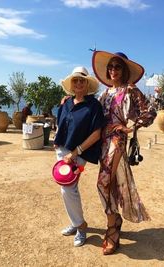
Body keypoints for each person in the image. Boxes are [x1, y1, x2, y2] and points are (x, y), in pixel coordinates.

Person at [92, 51, 157, 255]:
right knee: (108, 184)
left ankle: (112, 227)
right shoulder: (105, 93)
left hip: (117, 140)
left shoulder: (130, 89)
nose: (113, 70)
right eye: (110, 67)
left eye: (117, 67)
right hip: (103, 141)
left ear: (124, 70)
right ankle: (114, 220)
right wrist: (69, 100)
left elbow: (150, 111)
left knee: (102, 182)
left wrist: (130, 127)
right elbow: (92, 112)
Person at [53, 66, 105, 247]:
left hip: (79, 153)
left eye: (82, 80)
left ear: (87, 83)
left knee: (68, 188)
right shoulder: (66, 103)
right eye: (75, 80)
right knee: (64, 188)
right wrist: (56, 140)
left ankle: (81, 226)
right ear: (72, 84)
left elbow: (97, 134)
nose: (78, 83)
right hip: (62, 150)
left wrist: (75, 153)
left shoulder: (93, 106)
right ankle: (75, 223)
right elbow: (60, 124)